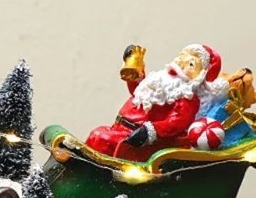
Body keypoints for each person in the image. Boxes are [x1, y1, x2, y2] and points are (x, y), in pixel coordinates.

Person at [86, 44, 229, 160]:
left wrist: (150, 131)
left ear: (198, 77)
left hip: (136, 140)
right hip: (118, 128)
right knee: (97, 134)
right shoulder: (160, 82)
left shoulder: (186, 98)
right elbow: (139, 91)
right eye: (181, 58)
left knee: (100, 137)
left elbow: (176, 123)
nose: (180, 64)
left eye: (190, 65)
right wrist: (136, 76)